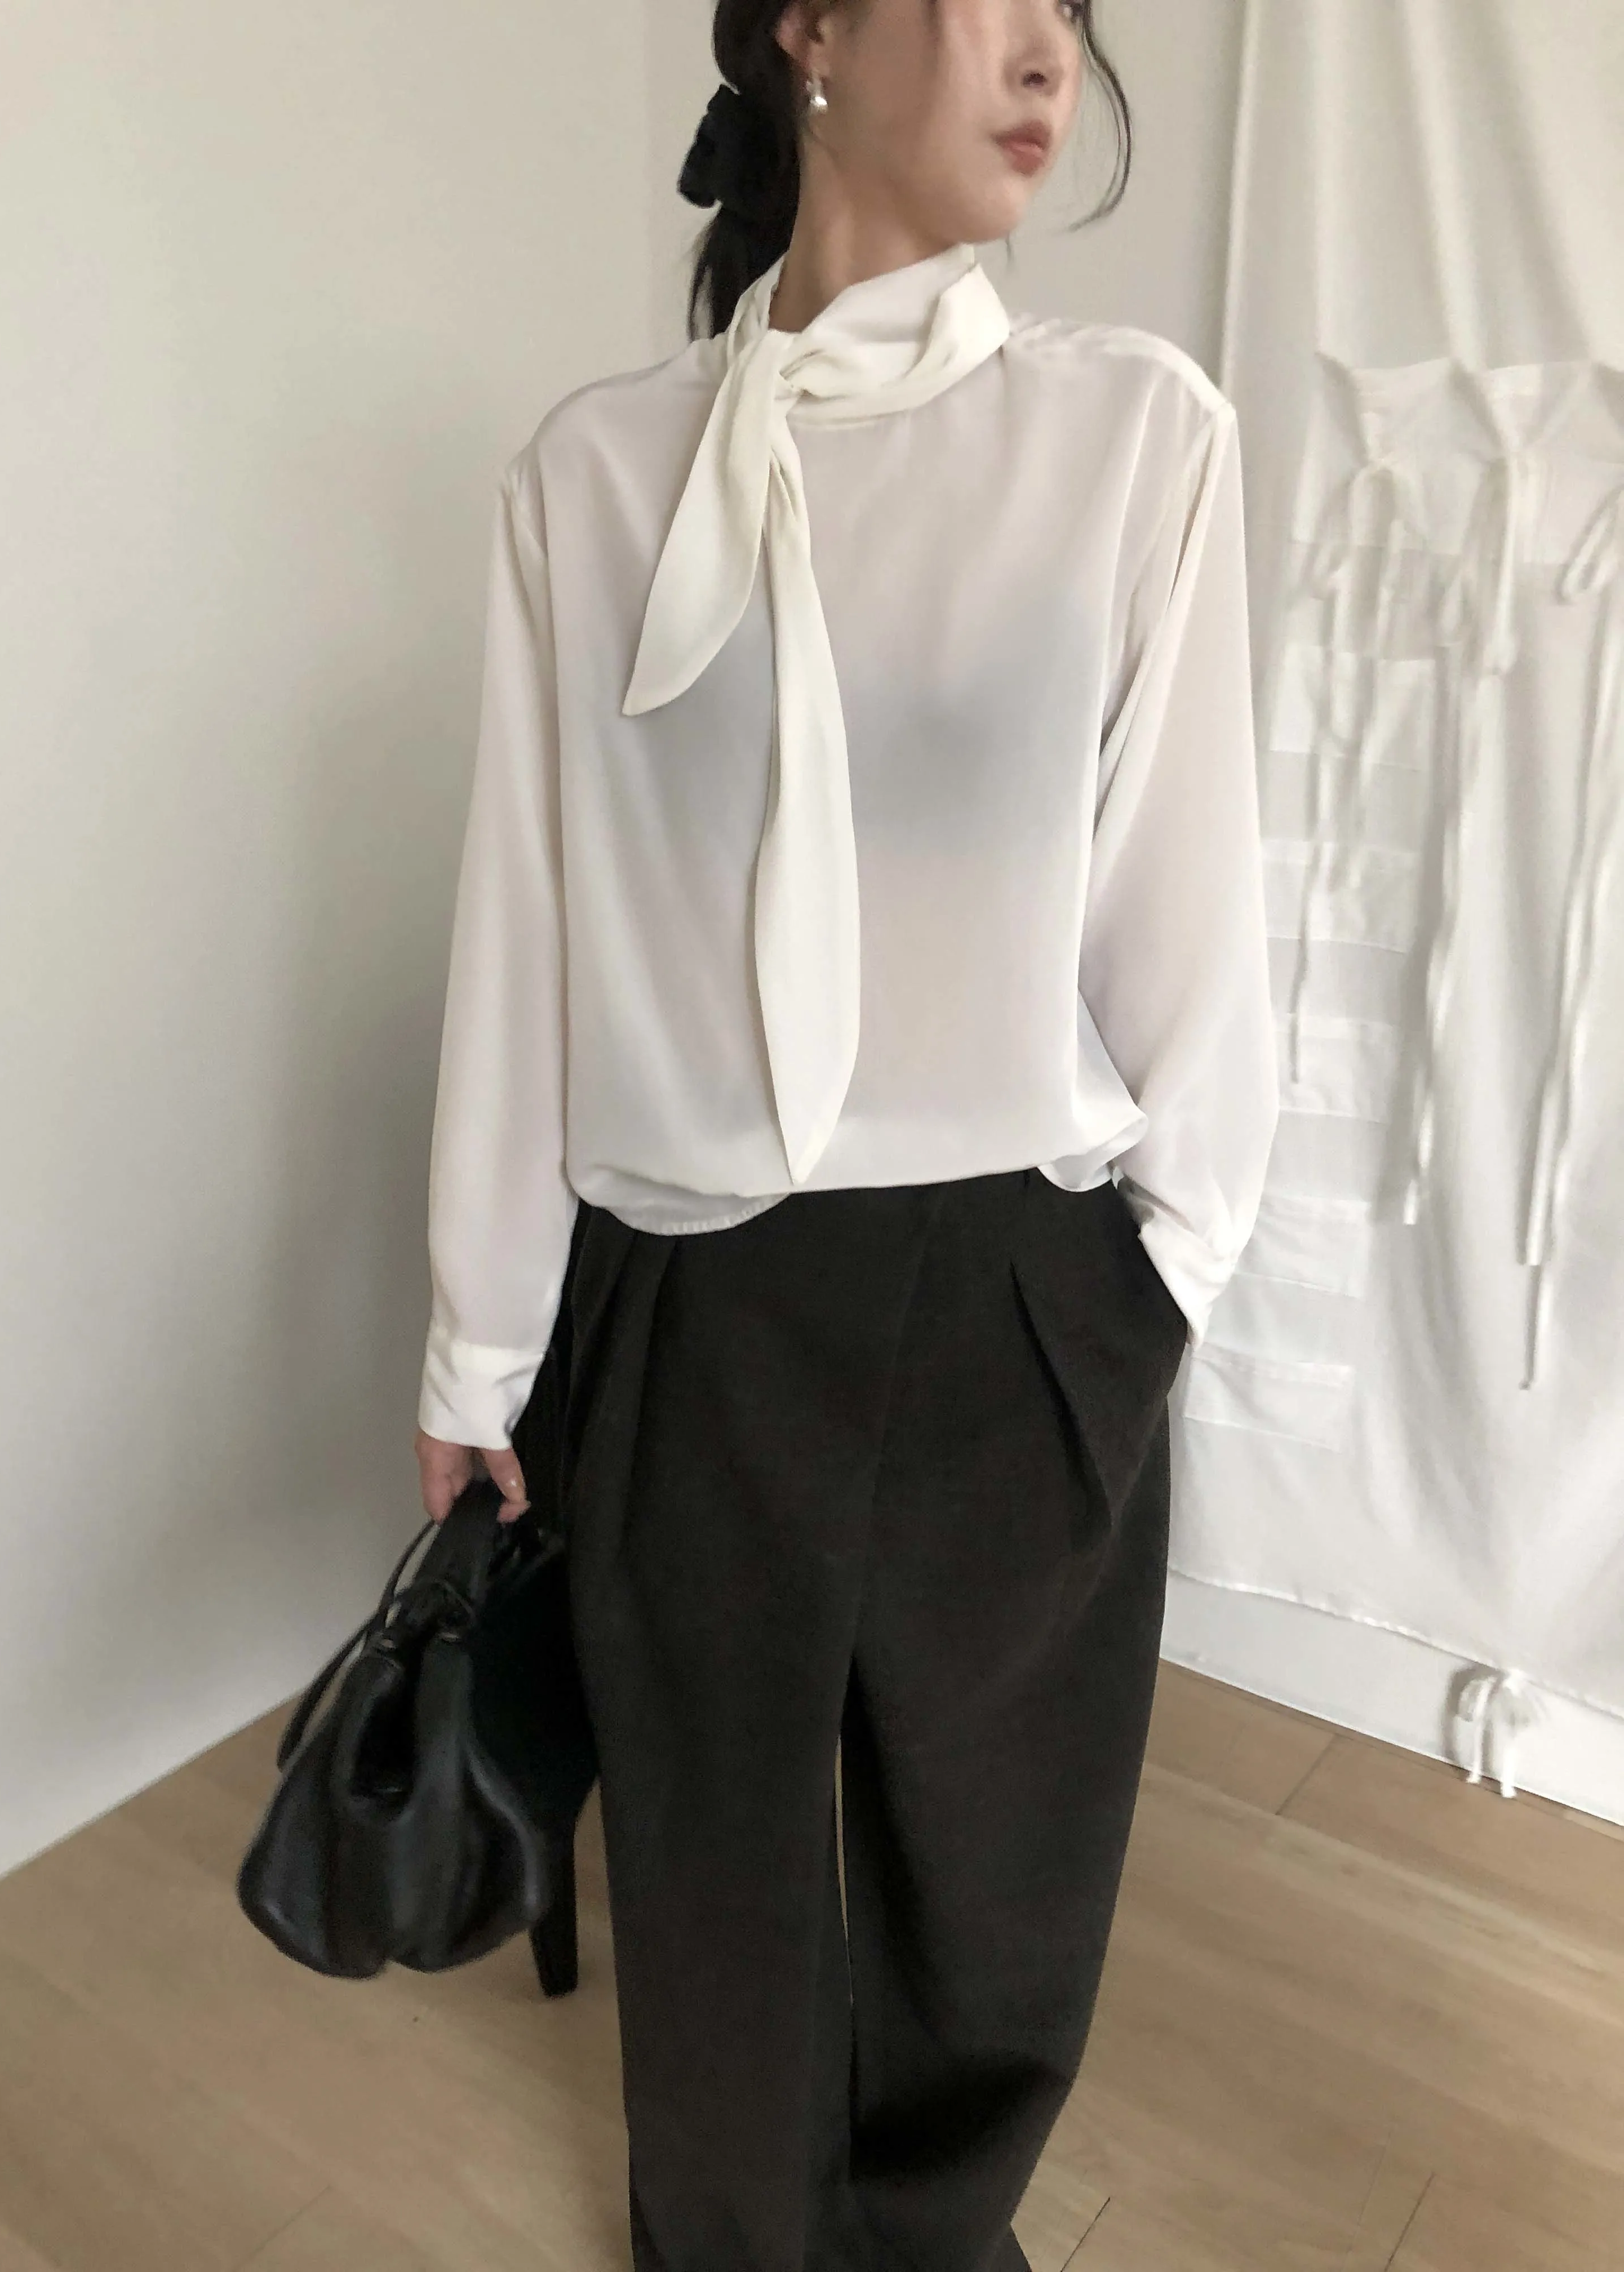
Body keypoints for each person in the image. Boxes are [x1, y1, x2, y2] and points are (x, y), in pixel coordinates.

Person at [414, 2, 1278, 2266]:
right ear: (811, 24)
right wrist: (480, 1342)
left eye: (1073, 17)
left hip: (1014, 1286)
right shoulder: (594, 478)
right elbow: (529, 931)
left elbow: (1192, 919)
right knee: (710, 1883)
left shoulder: (1132, 437)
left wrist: (1159, 1281)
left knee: (999, 1894)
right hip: (686, 1296)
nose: (1051, 57)